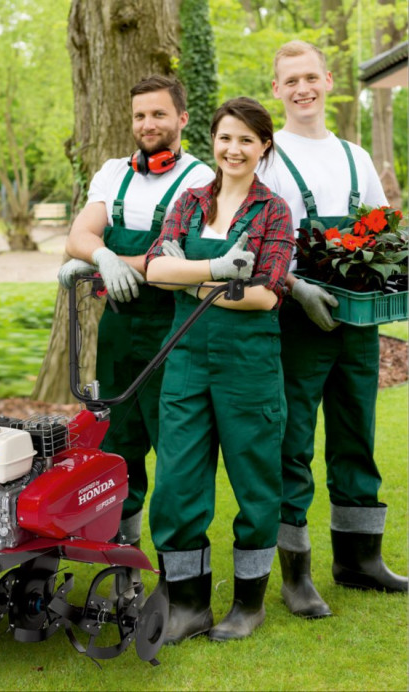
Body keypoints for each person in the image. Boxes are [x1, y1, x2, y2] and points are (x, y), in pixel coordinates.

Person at [257, 40, 407, 619]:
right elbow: (256, 235)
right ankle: (297, 572)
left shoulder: (355, 155)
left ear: (327, 80)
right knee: (293, 441)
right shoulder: (267, 157)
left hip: (358, 318)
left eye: (311, 77)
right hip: (296, 316)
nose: (302, 89)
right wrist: (295, 286)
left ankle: (360, 560)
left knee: (355, 433)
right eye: (290, 80)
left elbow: (379, 229)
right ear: (277, 89)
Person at [145, 97, 294, 644]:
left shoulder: (274, 211)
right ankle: (188, 606)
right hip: (184, 357)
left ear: (263, 148)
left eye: (247, 141)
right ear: (214, 140)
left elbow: (264, 295)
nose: (234, 149)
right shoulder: (188, 202)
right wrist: (215, 274)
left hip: (248, 364)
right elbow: (155, 269)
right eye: (226, 137)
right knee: (178, 482)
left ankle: (248, 604)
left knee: (256, 482)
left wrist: (186, 278)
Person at [58, 75, 214, 595]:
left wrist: (114, 258)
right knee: (119, 448)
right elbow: (79, 235)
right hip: (119, 334)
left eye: (159, 115)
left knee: (177, 450)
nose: (148, 125)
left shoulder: (202, 179)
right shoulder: (111, 173)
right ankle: (123, 563)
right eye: (140, 116)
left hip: (177, 330)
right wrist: (100, 255)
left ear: (182, 119)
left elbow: (184, 265)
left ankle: (179, 572)